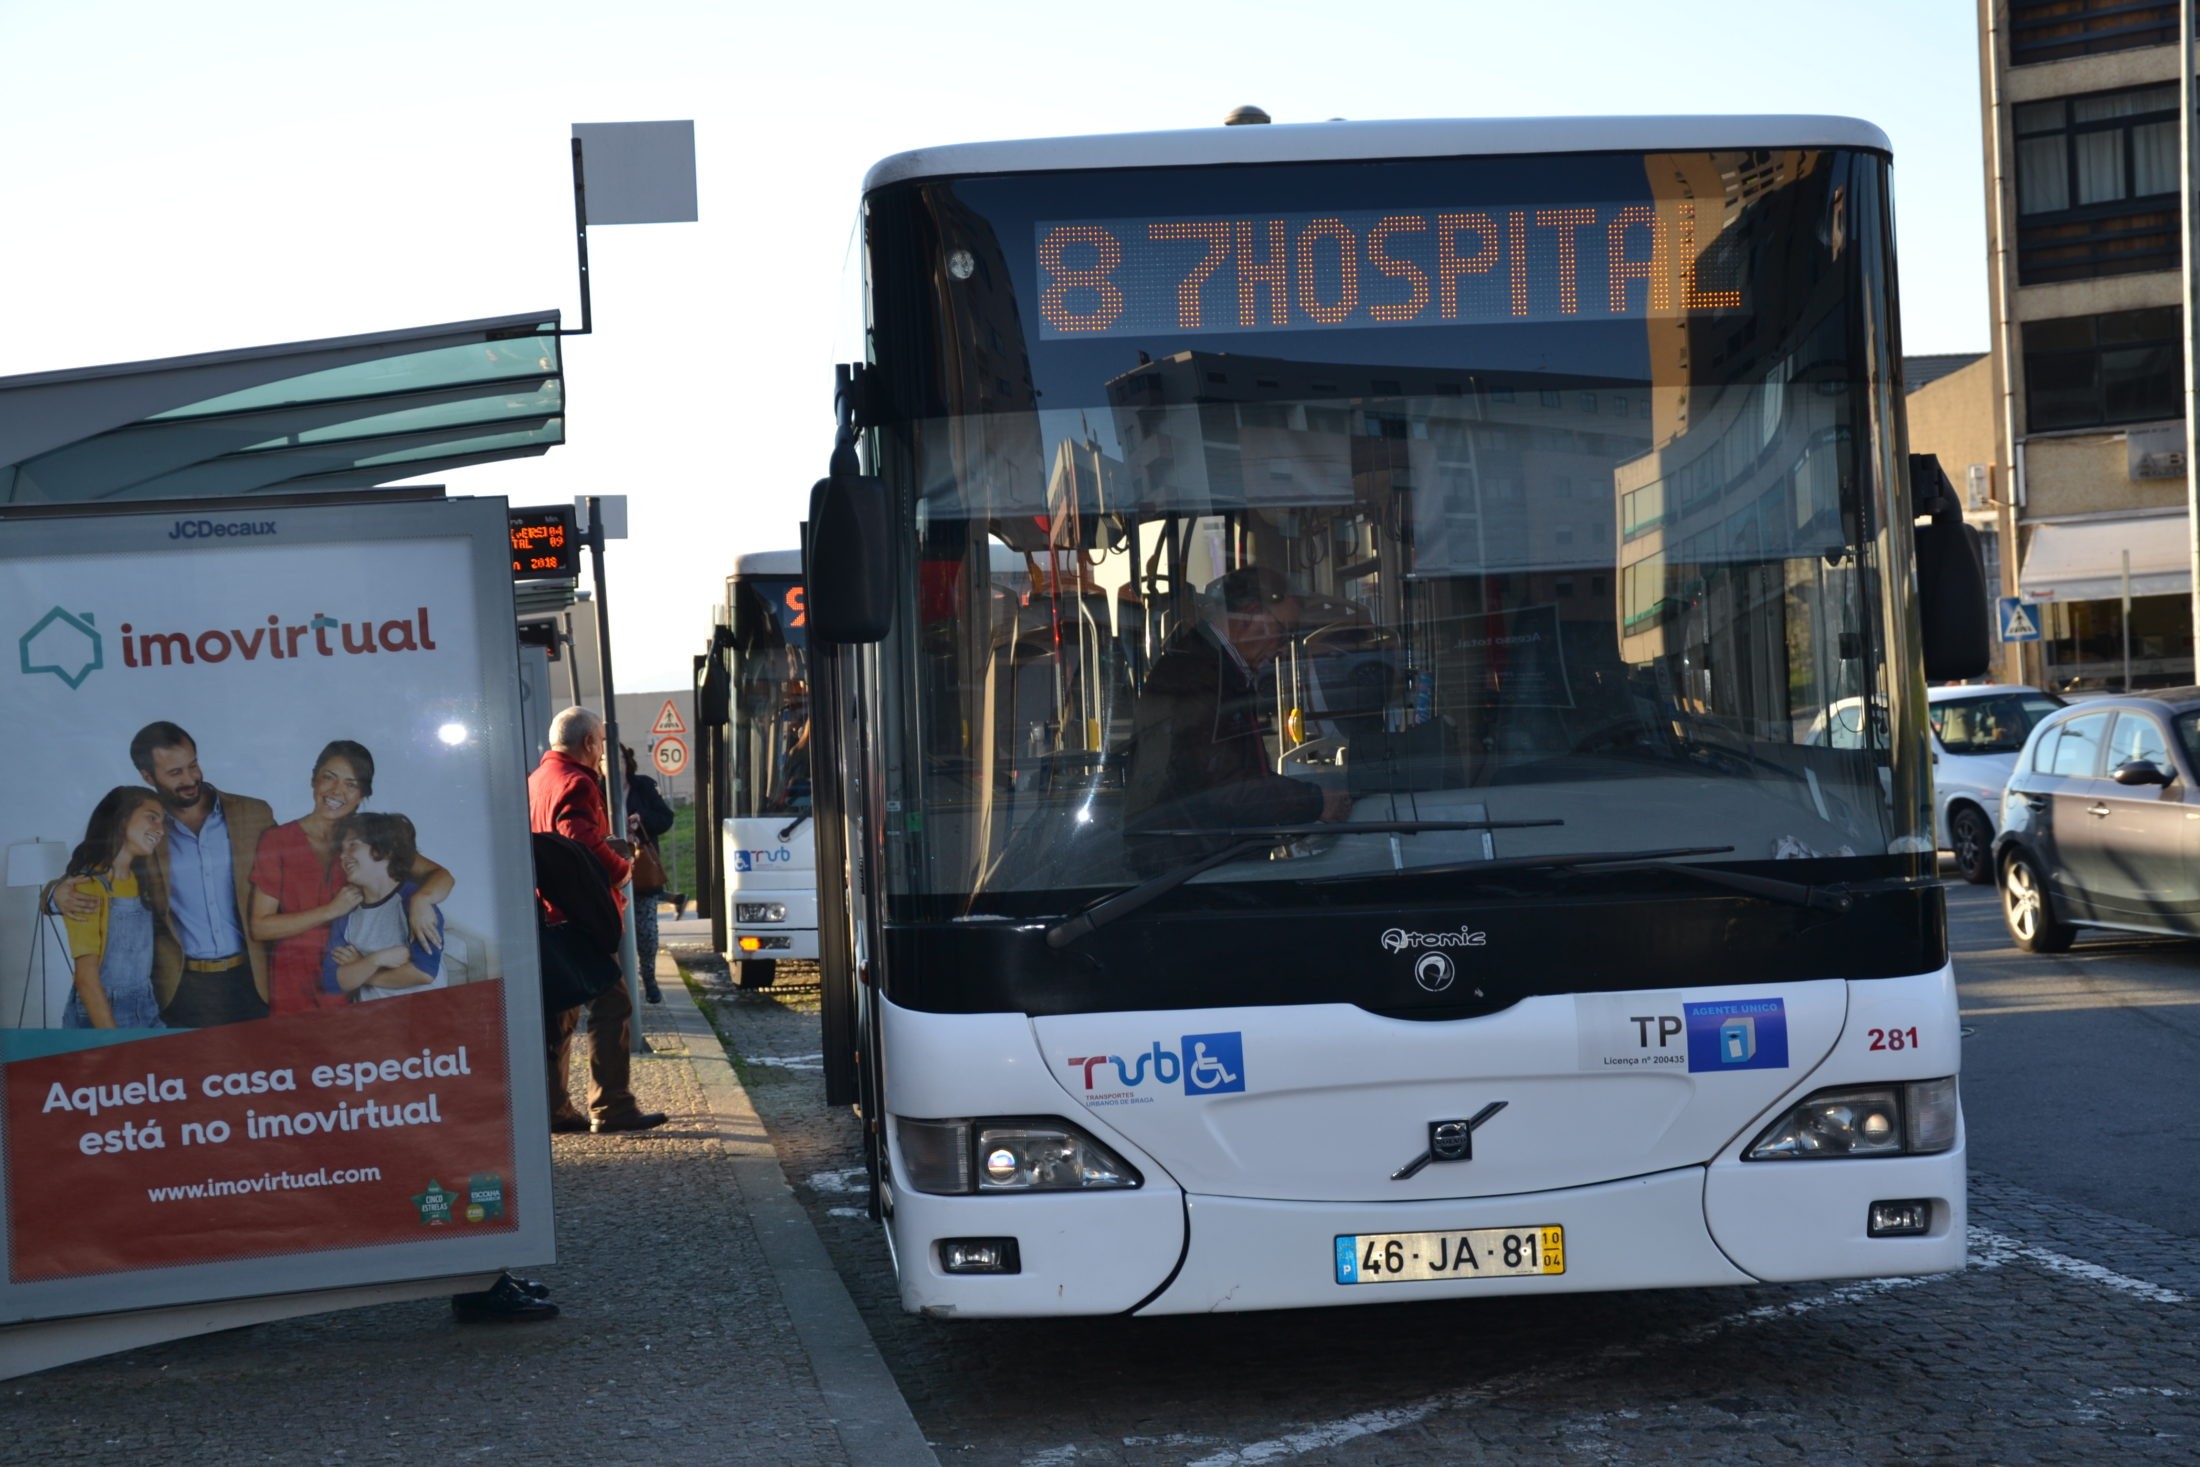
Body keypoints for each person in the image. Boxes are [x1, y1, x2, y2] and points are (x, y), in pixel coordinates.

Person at [1123, 565, 1353, 873]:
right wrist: (1315, 801)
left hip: (1200, 859)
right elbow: (1228, 790)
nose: (1284, 648)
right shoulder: (1199, 677)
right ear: (1250, 615)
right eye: (1283, 632)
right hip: (1192, 868)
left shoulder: (1212, 668)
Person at [53, 722, 277, 1026]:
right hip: (181, 987)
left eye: (193, 766)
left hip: (253, 978)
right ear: (148, 777)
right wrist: (55, 894)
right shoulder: (145, 831)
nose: (190, 779)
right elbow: (95, 865)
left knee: (257, 1071)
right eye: (174, 773)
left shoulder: (254, 813)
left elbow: (292, 872)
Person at [528, 707, 665, 1135]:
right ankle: (613, 1106)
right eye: (601, 742)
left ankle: (553, 1108)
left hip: (548, 914)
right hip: (581, 915)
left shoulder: (536, 780)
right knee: (612, 1003)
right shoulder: (577, 782)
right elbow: (579, 843)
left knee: (559, 1014)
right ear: (589, 743)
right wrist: (620, 866)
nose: (603, 750)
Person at [248, 741, 454, 1016]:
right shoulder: (279, 841)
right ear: (313, 780)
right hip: (294, 977)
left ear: (362, 794)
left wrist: (421, 900)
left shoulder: (371, 841)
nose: (336, 792)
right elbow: (261, 927)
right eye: (329, 778)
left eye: (351, 784)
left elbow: (442, 876)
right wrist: (331, 911)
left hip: (354, 975)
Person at [57, 787, 168, 1030]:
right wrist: (113, 1041)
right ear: (122, 818)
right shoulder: (88, 885)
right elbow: (86, 979)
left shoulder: (141, 880)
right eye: (152, 817)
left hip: (146, 1004)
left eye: (163, 822)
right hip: (101, 1012)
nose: (160, 830)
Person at [321, 813, 446, 1001]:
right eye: (341, 850)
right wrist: (376, 960)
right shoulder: (347, 910)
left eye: (353, 845)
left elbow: (424, 973)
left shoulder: (413, 903)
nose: (342, 856)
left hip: (422, 1017)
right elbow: (332, 981)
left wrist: (361, 970)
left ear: (384, 849)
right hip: (374, 1022)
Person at [621, 744, 676, 1004]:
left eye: (618, 758)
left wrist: (640, 818)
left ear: (627, 761)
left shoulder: (642, 786)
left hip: (642, 871)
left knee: (645, 931)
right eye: (605, 759)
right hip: (610, 872)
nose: (612, 764)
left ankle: (649, 977)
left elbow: (666, 818)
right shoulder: (594, 788)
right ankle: (620, 984)